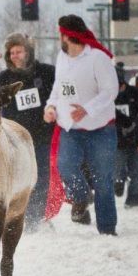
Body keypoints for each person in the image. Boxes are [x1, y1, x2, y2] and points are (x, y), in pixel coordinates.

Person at [44, 15, 119, 235]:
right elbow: (61, 88)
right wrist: (51, 107)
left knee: (103, 178)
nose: (59, 38)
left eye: (60, 34)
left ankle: (107, 228)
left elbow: (110, 90)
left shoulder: (97, 58)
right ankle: (81, 198)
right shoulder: (62, 57)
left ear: (68, 36)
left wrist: (87, 108)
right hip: (71, 128)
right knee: (65, 166)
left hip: (101, 128)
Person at [0, 33, 55, 230]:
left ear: (28, 52)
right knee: (18, 179)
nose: (14, 55)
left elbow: (66, 88)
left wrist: (63, 107)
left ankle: (35, 219)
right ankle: (18, 217)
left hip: (43, 136)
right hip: (15, 139)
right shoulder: (4, 78)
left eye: (18, 51)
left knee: (42, 177)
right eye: (11, 52)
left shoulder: (47, 72)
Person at [113, 66, 138, 208]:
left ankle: (133, 201)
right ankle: (119, 184)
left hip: (135, 141)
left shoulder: (136, 94)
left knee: (137, 174)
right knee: (117, 173)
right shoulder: (107, 97)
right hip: (117, 143)